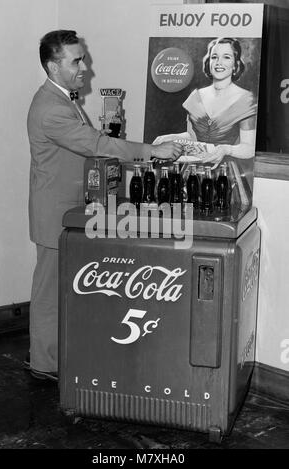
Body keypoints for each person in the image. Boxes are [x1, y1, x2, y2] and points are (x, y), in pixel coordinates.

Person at [26, 30, 182, 381]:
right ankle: (44, 365)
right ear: (53, 66)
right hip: (55, 213)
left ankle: (48, 354)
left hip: (69, 211)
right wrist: (150, 151)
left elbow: (88, 145)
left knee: (61, 288)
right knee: (50, 293)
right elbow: (94, 144)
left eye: (83, 58)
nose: (84, 67)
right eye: (76, 60)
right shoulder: (51, 107)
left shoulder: (65, 99)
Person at [182, 37, 257, 167]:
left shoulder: (246, 100)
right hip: (193, 169)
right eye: (214, 57)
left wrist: (226, 149)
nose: (218, 62)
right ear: (208, 62)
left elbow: (250, 148)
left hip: (225, 172)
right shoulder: (195, 97)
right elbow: (191, 139)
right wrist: (168, 141)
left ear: (235, 64)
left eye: (226, 57)